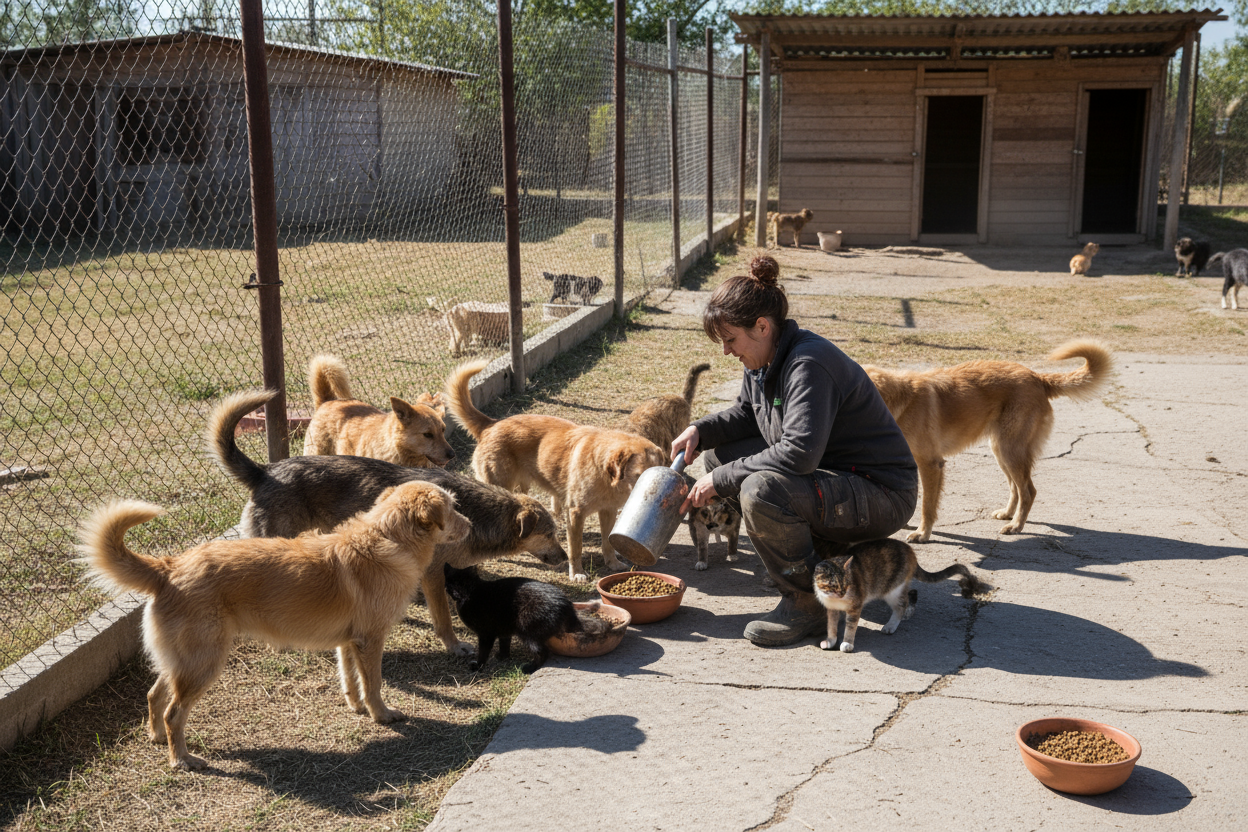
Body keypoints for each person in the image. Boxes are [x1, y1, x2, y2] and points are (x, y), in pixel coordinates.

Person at [674, 255, 918, 646]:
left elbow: (800, 453)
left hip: (881, 491)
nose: (725, 351)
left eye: (730, 339)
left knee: (758, 489)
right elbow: (747, 415)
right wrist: (699, 431)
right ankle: (823, 554)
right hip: (836, 479)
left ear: (762, 326)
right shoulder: (764, 358)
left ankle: (808, 601)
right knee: (719, 457)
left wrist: (720, 481)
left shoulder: (807, 364)